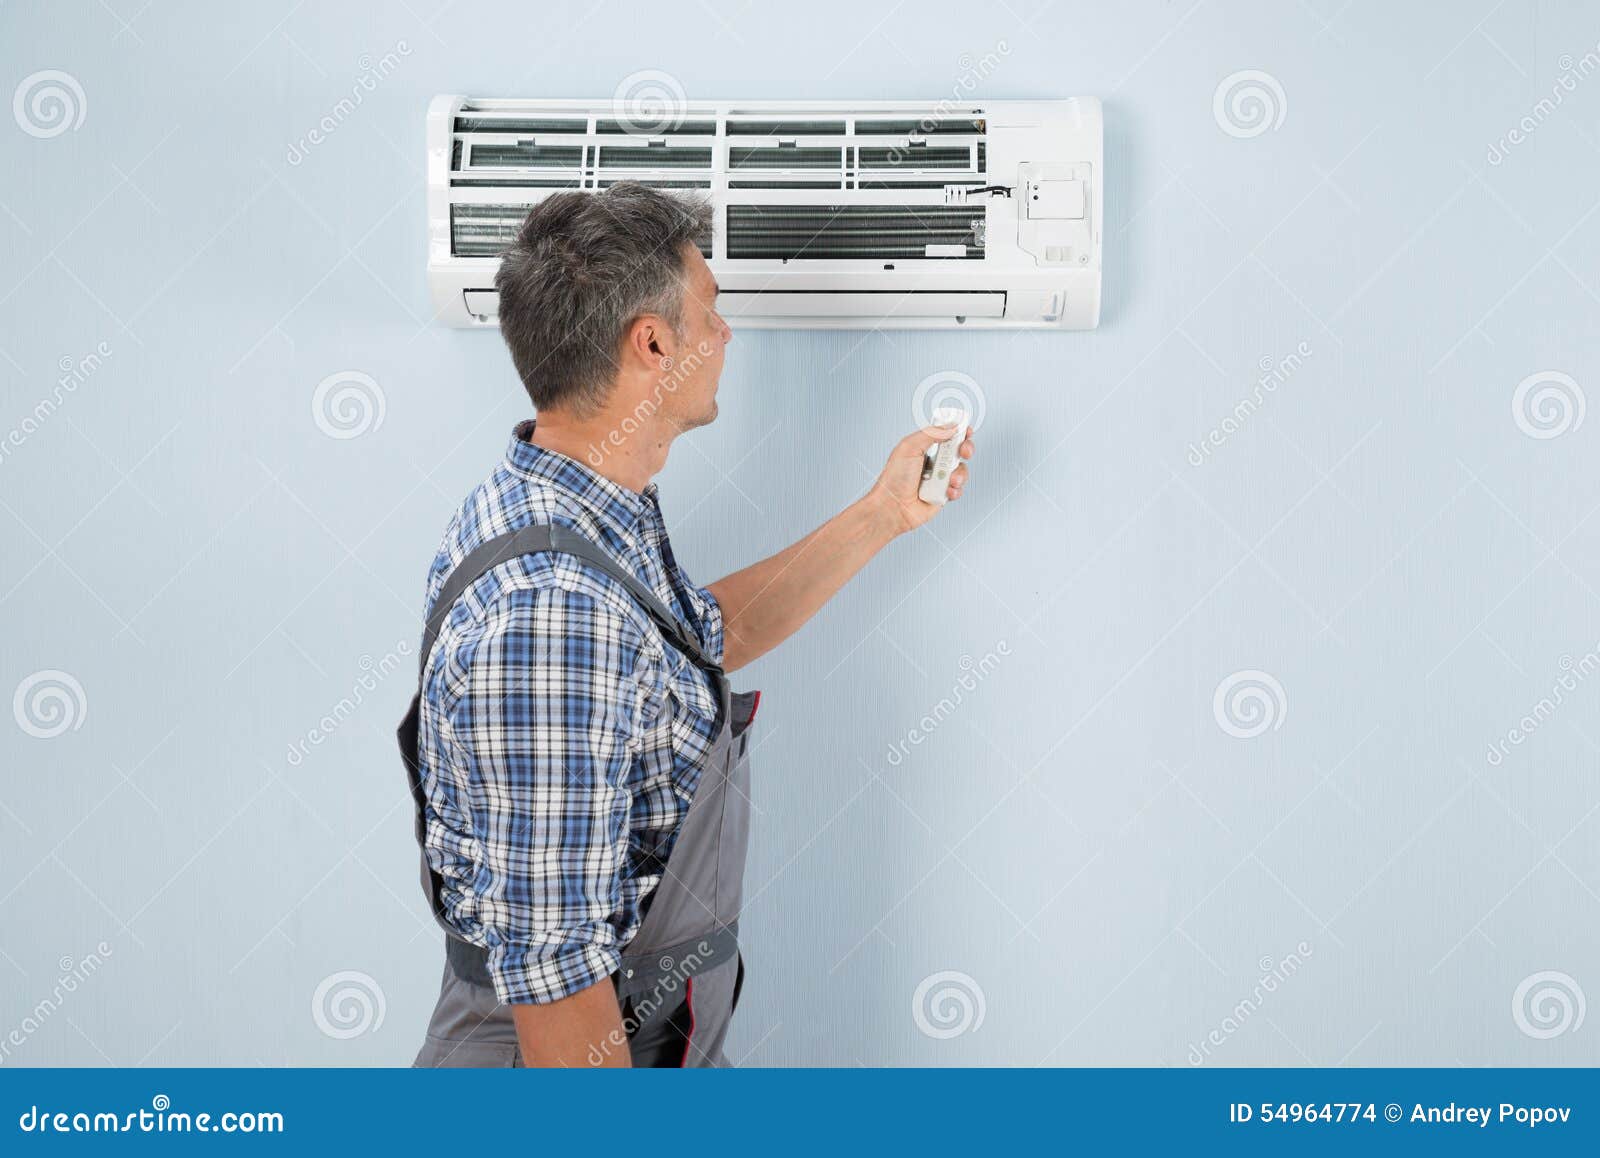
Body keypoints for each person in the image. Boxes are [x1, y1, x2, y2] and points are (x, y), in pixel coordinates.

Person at [398, 181, 976, 1067]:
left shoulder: (578, 509)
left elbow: (701, 636)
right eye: (711, 311)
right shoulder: (552, 615)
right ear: (654, 342)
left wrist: (882, 514)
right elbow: (558, 987)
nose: (725, 335)